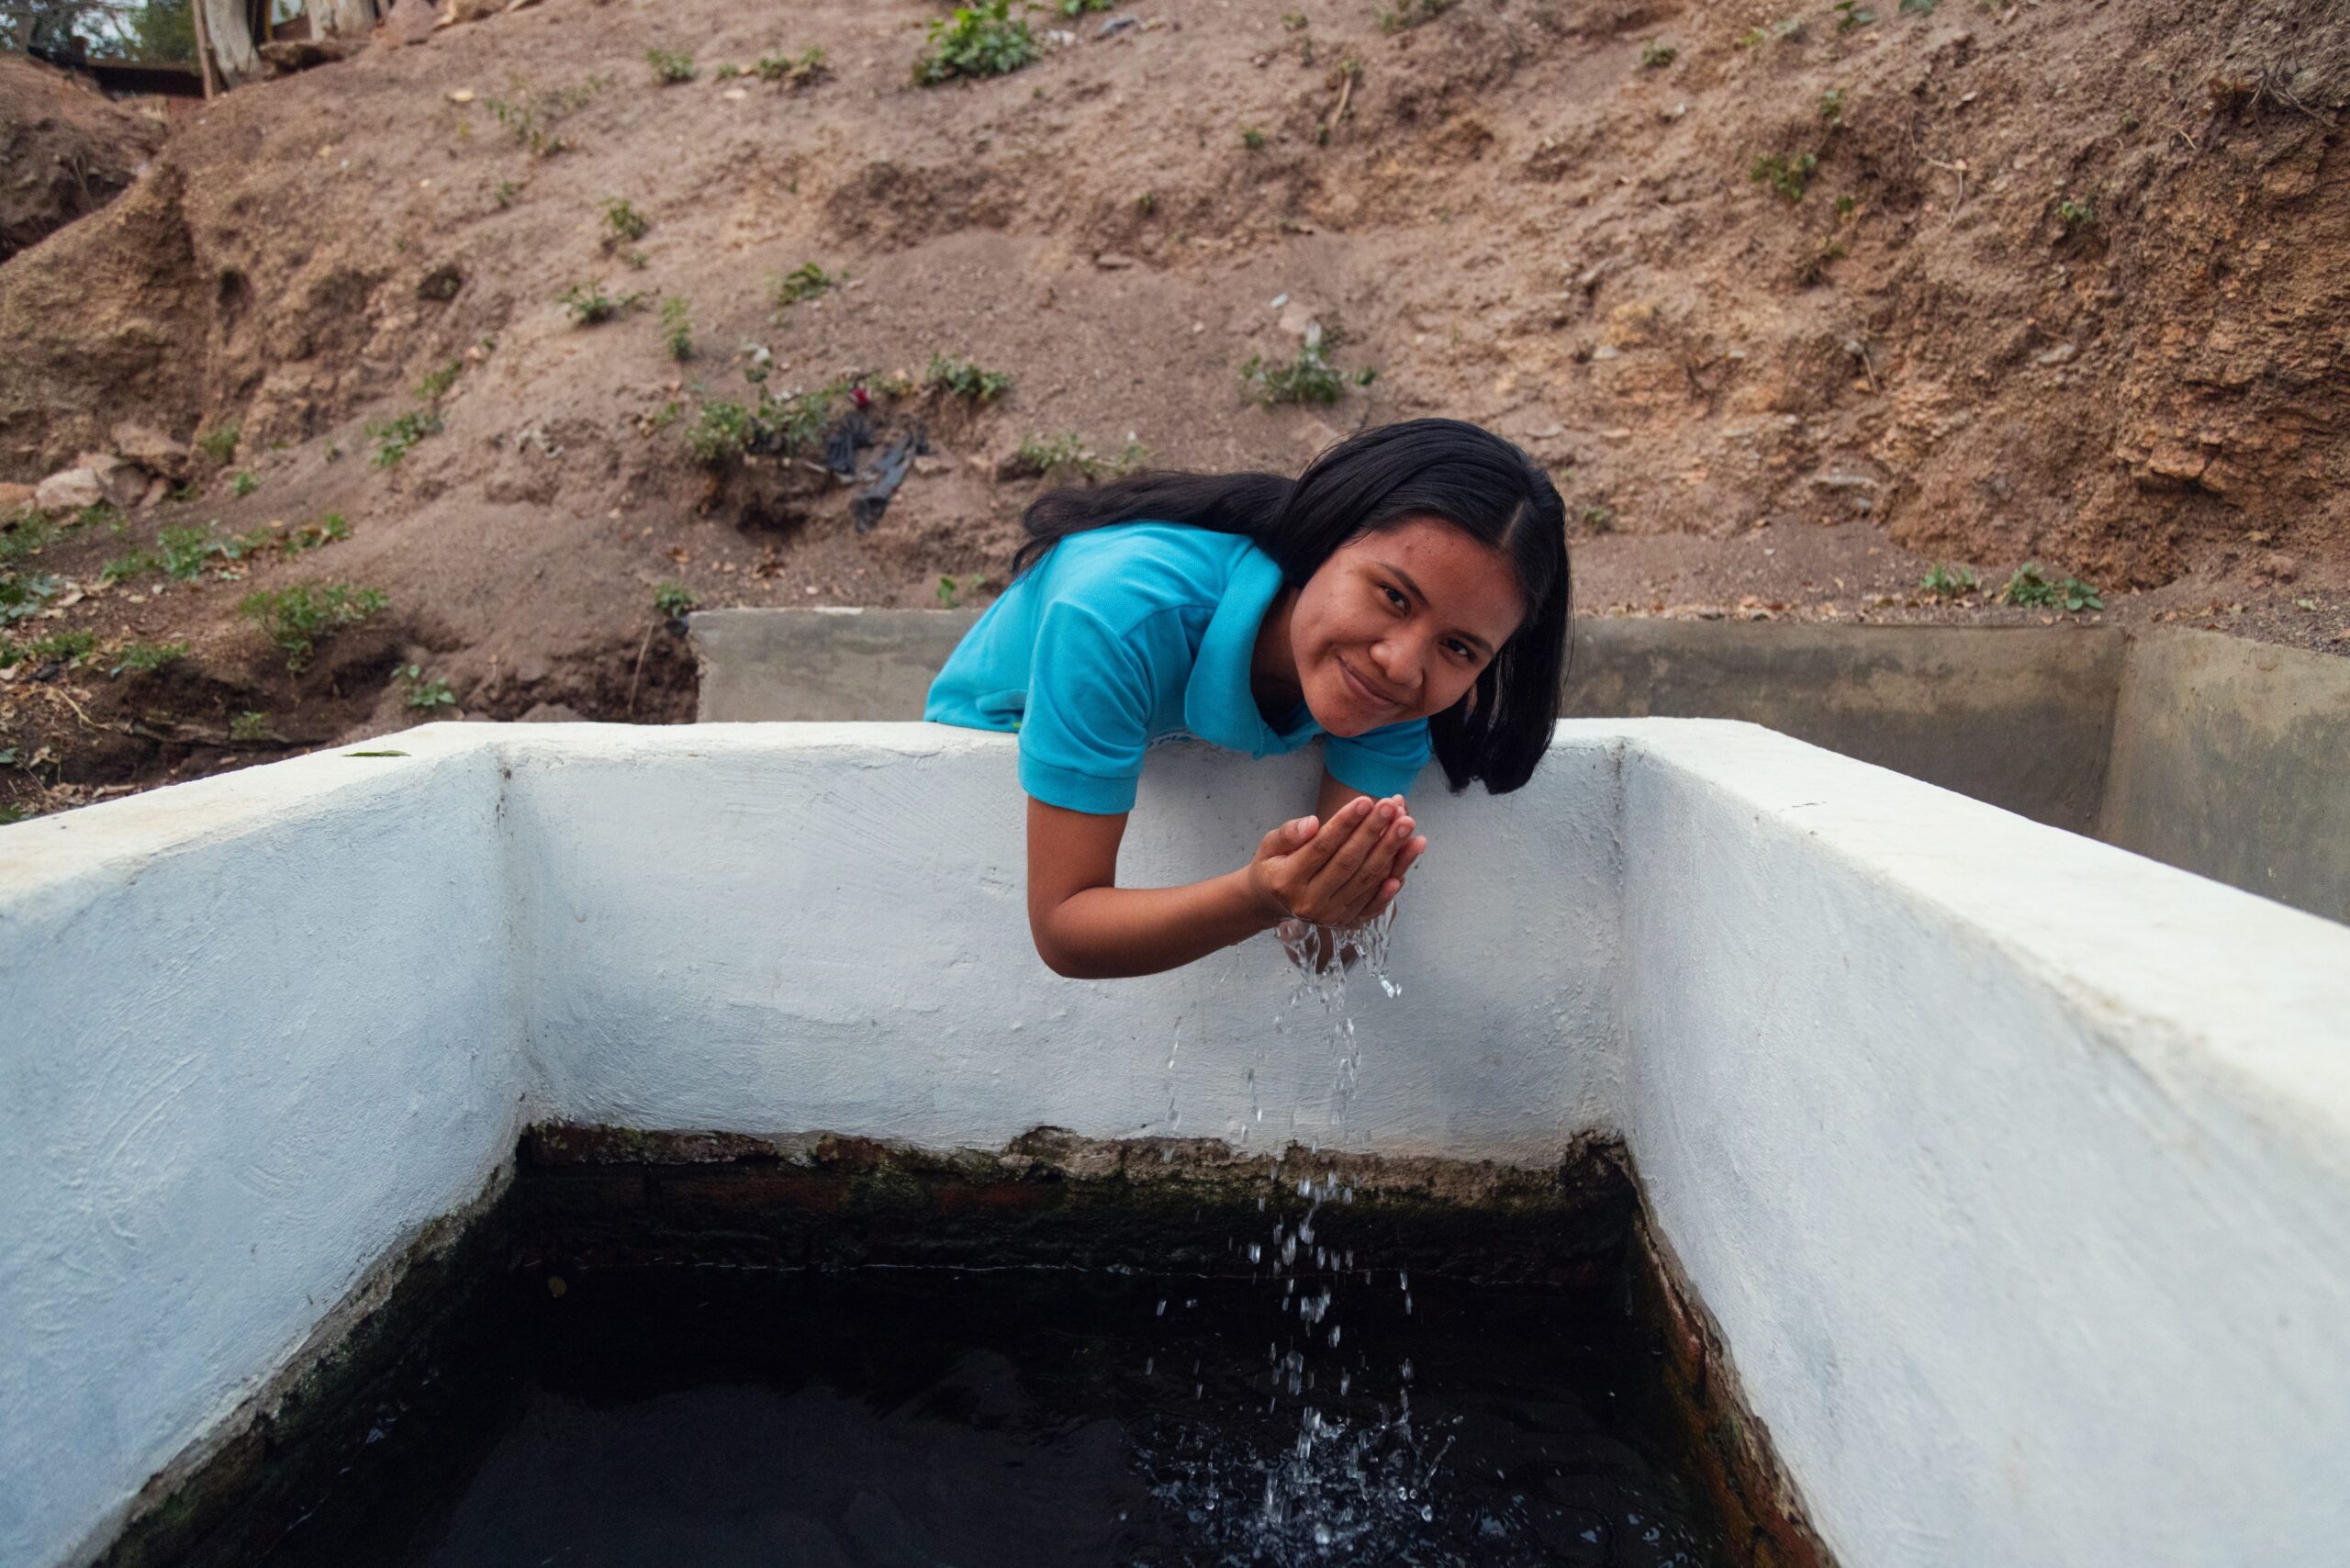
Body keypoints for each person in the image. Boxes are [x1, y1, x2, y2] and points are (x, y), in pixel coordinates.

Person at [923, 418, 1571, 979]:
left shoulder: (1388, 696)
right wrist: (1261, 897)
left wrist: (1342, 899)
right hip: (993, 734)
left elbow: (1318, 952)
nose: (1402, 664)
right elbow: (1064, 928)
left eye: (1460, 648)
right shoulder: (1113, 617)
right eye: (1393, 597)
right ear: (1323, 539)